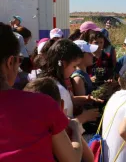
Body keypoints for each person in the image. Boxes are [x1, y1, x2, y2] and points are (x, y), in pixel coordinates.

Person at [0, 22, 82, 162]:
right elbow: (72, 159)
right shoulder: (41, 104)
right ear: (10, 62)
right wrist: (75, 130)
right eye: (19, 61)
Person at [24, 77, 93, 162]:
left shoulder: (23, 132)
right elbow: (90, 158)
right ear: (62, 105)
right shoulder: (66, 128)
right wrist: (75, 130)